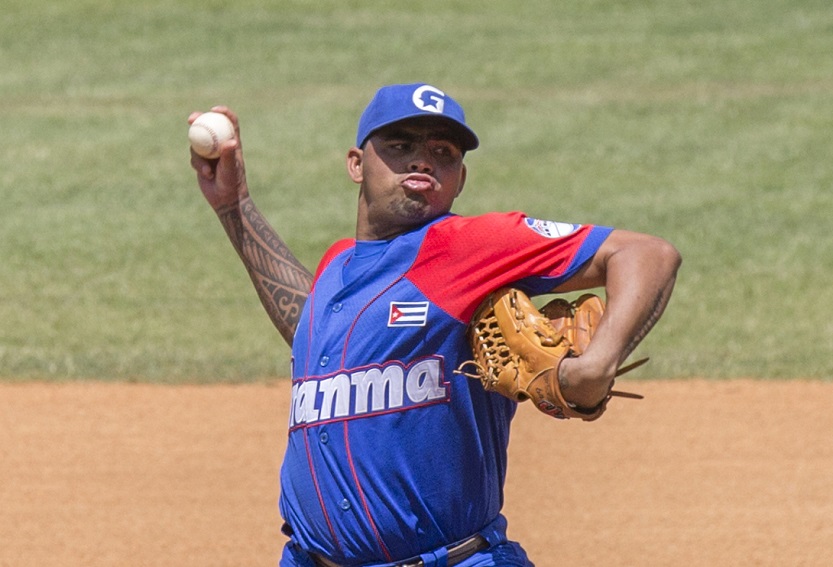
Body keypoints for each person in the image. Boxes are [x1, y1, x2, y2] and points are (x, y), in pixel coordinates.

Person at [189, 83, 681, 567]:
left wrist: (595, 366)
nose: (422, 161)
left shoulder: (469, 245)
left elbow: (647, 254)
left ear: (460, 179)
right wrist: (235, 207)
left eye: (442, 152)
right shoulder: (337, 265)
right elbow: (314, 331)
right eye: (400, 145)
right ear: (356, 164)